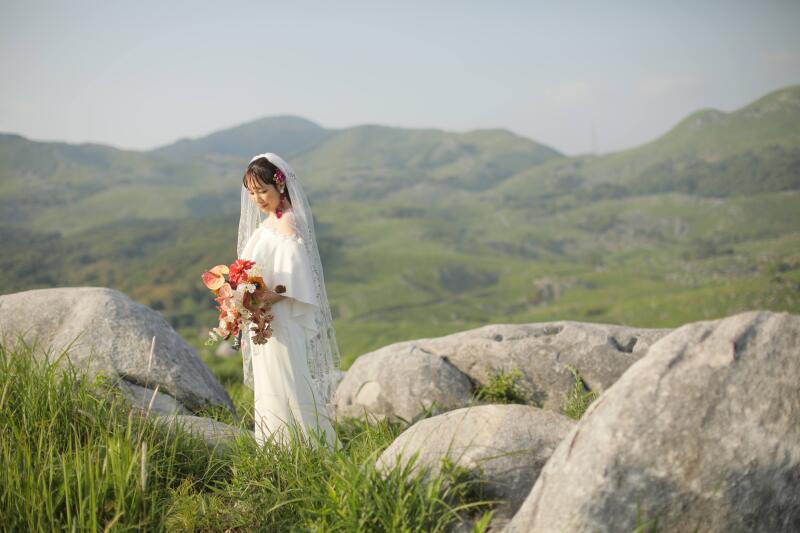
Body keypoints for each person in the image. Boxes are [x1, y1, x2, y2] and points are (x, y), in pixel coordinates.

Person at [236, 152, 341, 451]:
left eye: (262, 191)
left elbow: (294, 284)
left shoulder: (288, 224)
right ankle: (278, 450)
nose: (257, 199)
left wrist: (258, 299)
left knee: (287, 382)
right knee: (273, 384)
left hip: (278, 320)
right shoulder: (272, 221)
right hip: (265, 320)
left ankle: (306, 448)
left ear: (280, 185)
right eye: (252, 193)